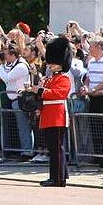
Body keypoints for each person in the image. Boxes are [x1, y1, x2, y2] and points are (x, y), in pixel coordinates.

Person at [22, 37, 72, 187]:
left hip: (57, 116)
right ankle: (60, 176)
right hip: (49, 115)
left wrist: (41, 90)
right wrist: (33, 91)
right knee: (55, 149)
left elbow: (58, 94)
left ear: (60, 64)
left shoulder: (64, 78)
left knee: (57, 149)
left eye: (52, 62)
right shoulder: (50, 78)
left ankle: (57, 179)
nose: (49, 65)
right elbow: (45, 94)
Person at [0, 42, 34, 159]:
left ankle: (27, 151)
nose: (5, 56)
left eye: (6, 54)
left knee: (23, 127)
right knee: (17, 127)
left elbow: (7, 78)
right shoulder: (12, 64)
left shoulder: (21, 66)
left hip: (20, 100)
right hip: (13, 100)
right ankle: (20, 150)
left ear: (13, 54)